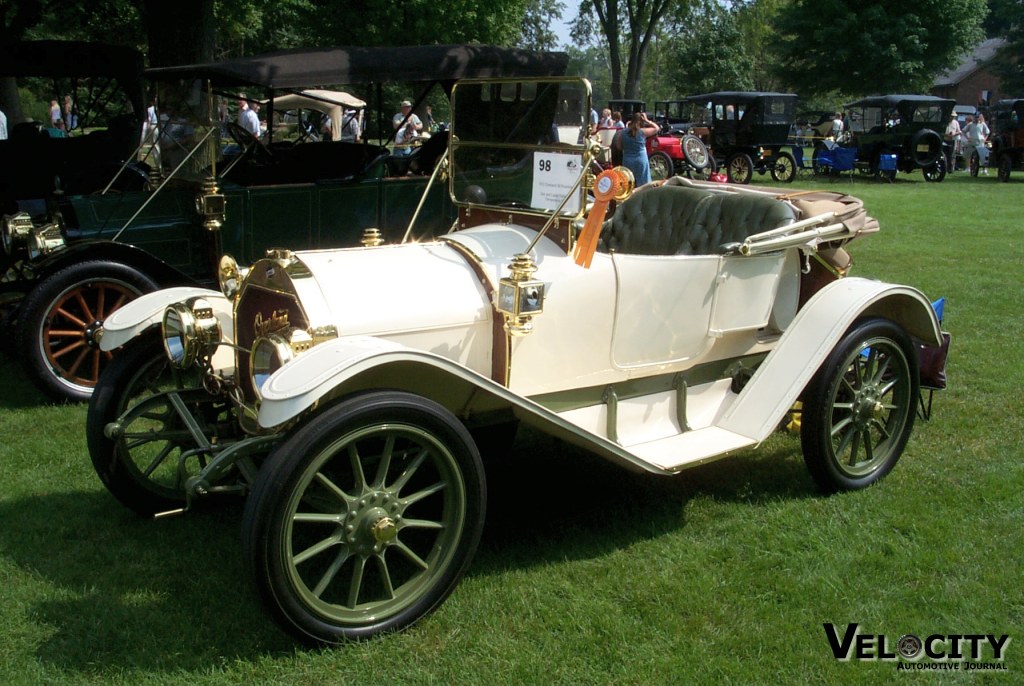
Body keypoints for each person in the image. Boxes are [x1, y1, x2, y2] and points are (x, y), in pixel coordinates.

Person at [621, 111, 659, 186]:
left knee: (628, 184)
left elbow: (619, 146)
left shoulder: (623, 132)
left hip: (627, 160)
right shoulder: (643, 132)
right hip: (640, 159)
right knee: (644, 185)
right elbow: (656, 128)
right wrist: (647, 120)